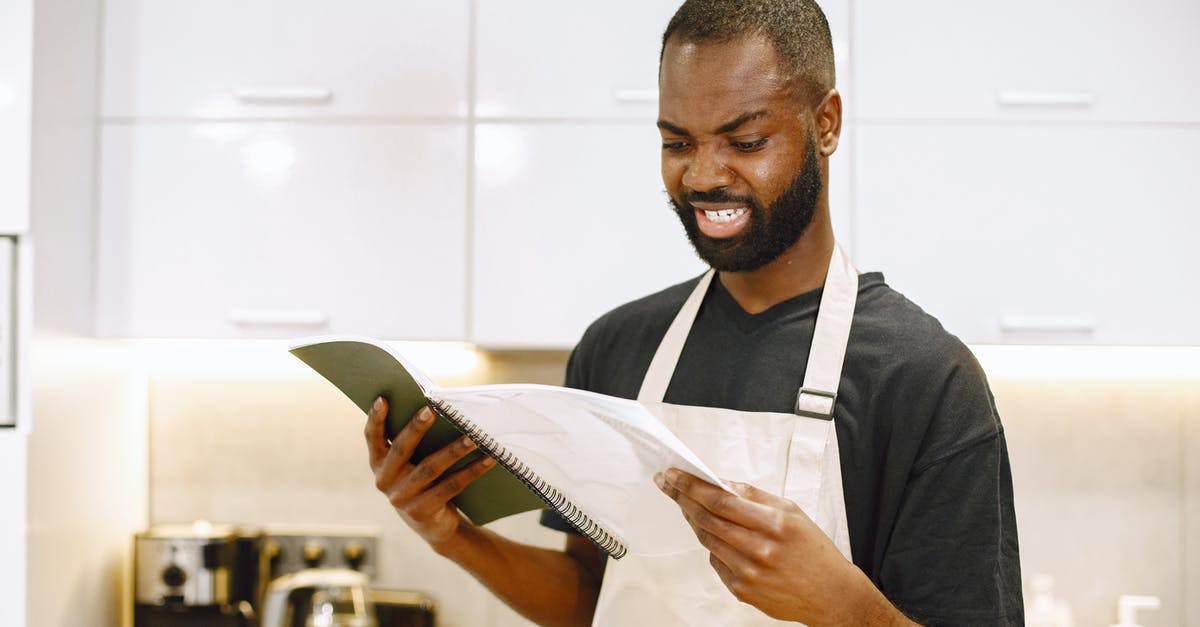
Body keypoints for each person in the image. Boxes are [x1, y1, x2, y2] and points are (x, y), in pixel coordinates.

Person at [364, 0, 1023, 624]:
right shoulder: (617, 347)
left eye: (745, 140)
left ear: (825, 124)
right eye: (678, 143)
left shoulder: (926, 380)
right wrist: (455, 537)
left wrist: (838, 603)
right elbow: (594, 598)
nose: (704, 175)